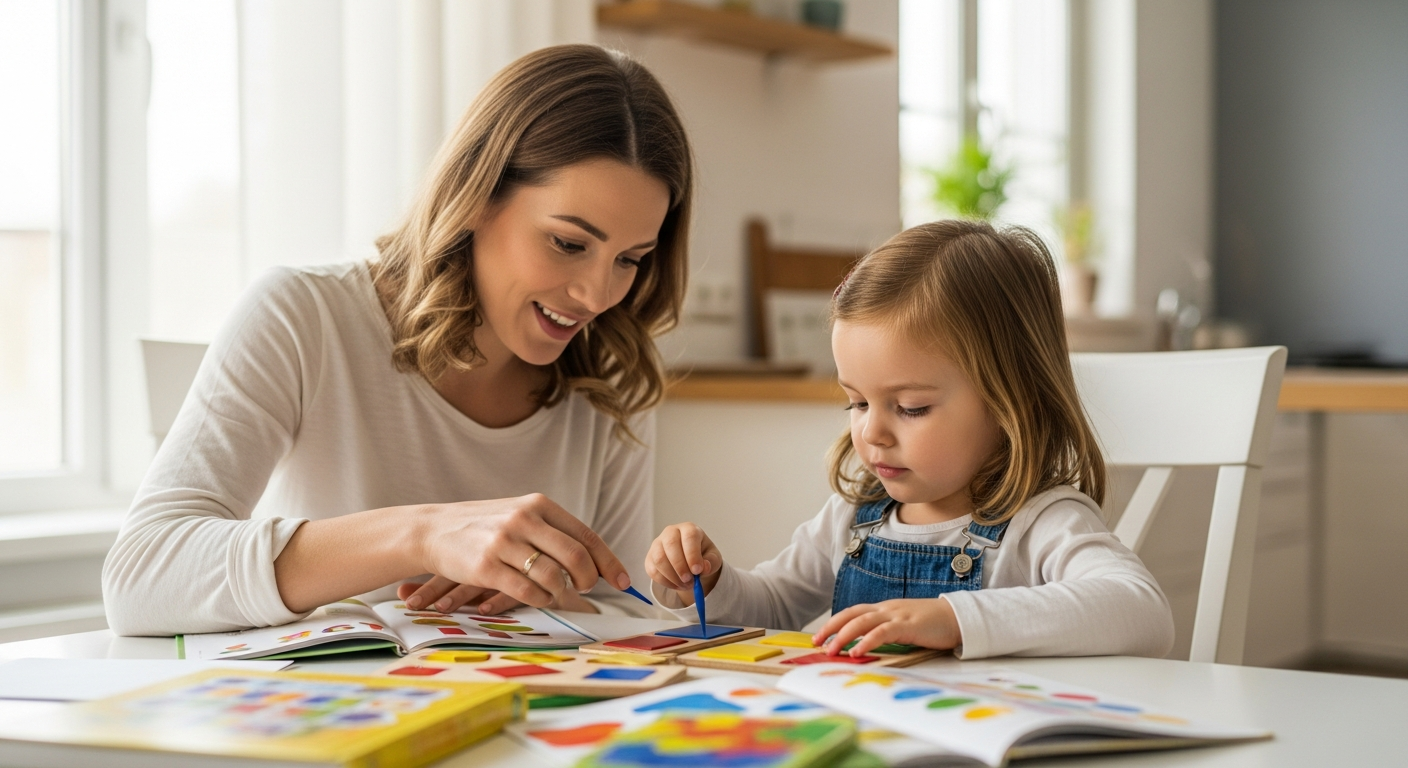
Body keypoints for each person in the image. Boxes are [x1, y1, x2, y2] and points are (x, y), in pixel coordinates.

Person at [103, 44, 693, 635]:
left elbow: (620, 607)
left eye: (631, 259)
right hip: (327, 714)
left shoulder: (612, 372)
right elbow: (140, 578)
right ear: (476, 198)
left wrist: (537, 590)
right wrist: (427, 537)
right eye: (568, 243)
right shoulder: (304, 316)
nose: (596, 296)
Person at [646, 220, 1175, 659]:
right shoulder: (852, 517)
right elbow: (769, 606)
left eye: (910, 408)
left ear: (1011, 400)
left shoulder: (1042, 522)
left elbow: (1140, 610)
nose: (871, 432)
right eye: (856, 402)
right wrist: (708, 584)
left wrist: (955, 617)